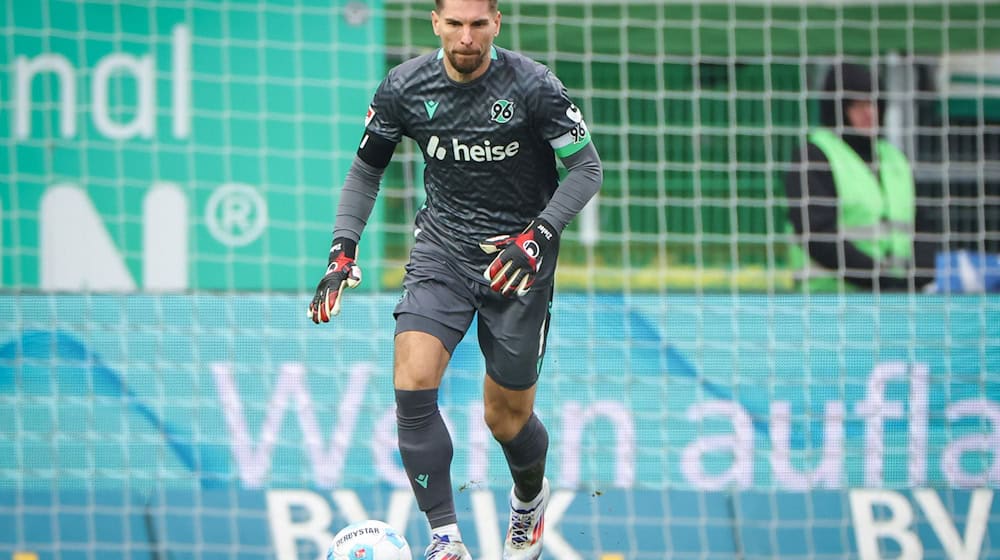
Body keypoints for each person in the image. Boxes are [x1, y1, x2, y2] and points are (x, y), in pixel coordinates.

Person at [308, 1, 603, 559]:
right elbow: (366, 169)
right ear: (435, 23)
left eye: (478, 24)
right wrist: (341, 251)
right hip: (441, 252)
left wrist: (538, 234)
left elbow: (587, 169)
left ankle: (528, 501)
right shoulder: (403, 88)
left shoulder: (534, 87)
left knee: (505, 417)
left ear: (496, 23)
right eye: (455, 24)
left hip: (517, 263)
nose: (466, 37)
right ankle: (445, 540)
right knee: (413, 382)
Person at [784, 61, 933, 292]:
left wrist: (917, 276)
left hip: (898, 300)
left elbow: (924, 226)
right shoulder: (815, 156)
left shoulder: (895, 159)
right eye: (857, 105)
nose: (869, 112)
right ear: (839, 109)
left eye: (874, 103)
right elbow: (818, 235)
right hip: (828, 300)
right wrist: (881, 279)